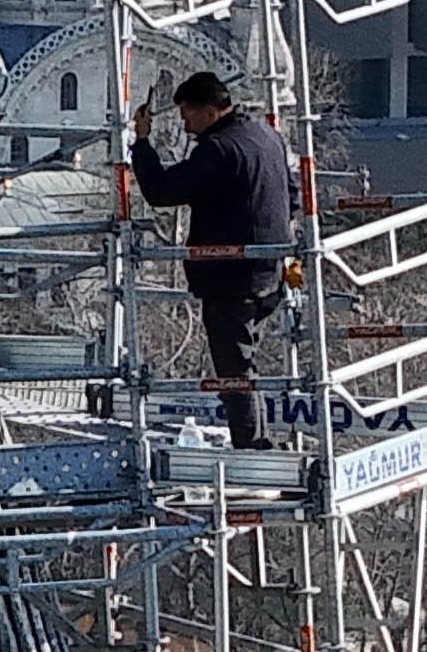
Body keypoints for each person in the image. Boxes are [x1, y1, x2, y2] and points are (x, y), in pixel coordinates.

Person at [128, 67, 301, 420]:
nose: (186, 126)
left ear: (209, 112)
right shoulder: (266, 135)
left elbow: (162, 190)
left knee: (235, 372)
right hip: (271, 270)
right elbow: (292, 194)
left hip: (231, 279)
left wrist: (142, 143)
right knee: (246, 363)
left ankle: (252, 449)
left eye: (188, 115)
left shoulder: (217, 149)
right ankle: (257, 438)